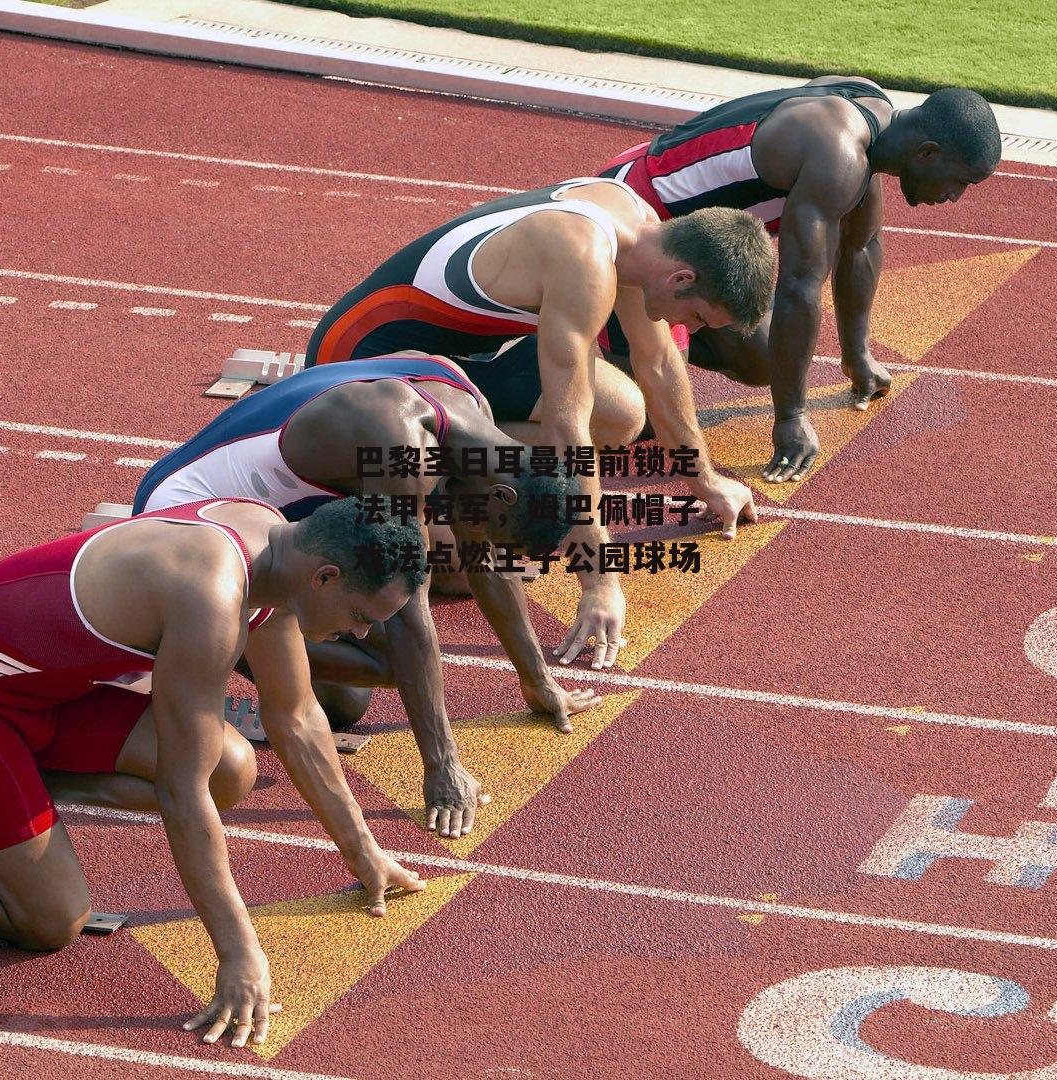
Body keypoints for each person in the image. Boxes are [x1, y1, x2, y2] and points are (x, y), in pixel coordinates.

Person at [0, 496, 428, 1050]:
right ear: (326, 578)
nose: (363, 636)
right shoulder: (212, 596)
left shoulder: (274, 549)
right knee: (51, 920)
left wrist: (363, 854)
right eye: (364, 619)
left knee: (233, 767)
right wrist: (238, 953)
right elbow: (179, 793)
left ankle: (2, 808)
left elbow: (300, 718)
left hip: (39, 695)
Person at [305, 176, 775, 666]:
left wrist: (703, 479)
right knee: (456, 568)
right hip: (359, 361)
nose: (690, 331)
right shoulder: (585, 259)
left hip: (456, 355)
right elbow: (566, 434)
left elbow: (657, 362)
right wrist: (600, 581)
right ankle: (438, 476)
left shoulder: (643, 233)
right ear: (681, 279)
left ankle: (457, 463)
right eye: (697, 317)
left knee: (621, 413)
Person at [133, 352, 602, 839]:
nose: (477, 543)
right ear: (502, 496)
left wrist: (538, 680)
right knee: (383, 668)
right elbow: (407, 612)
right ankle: (208, 648)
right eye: (493, 531)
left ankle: (244, 645)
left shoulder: (470, 413)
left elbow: (481, 556)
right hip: (184, 517)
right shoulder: (402, 453)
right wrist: (442, 767)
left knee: (354, 696)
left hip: (258, 517)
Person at [600, 82, 1001, 482]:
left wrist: (857, 355)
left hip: (680, 234)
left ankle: (647, 338)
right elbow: (798, 286)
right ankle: (584, 338)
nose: (954, 197)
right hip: (637, 219)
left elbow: (860, 245)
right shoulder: (838, 155)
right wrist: (791, 417)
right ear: (927, 153)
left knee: (763, 355)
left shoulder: (871, 115)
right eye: (959, 182)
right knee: (641, 418)